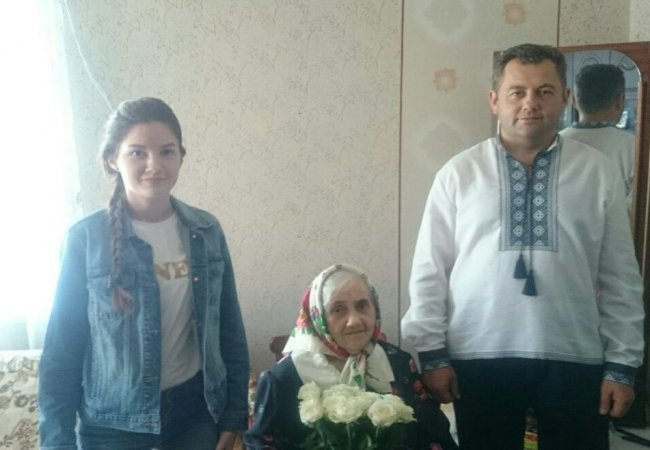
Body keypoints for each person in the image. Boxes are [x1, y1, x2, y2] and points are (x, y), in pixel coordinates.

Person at [401, 44, 644, 450]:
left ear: (565, 98)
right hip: (478, 356)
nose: (530, 103)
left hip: (575, 357)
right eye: (518, 92)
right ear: (495, 101)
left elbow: (621, 277)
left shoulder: (597, 173)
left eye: (544, 91)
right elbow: (430, 271)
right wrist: (433, 354)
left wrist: (623, 364)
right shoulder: (459, 174)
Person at [38, 97, 250, 450]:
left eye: (167, 151)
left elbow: (229, 330)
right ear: (113, 159)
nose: (154, 165)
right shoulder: (85, 240)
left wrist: (234, 416)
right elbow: (62, 351)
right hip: (112, 424)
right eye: (137, 153)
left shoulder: (206, 231)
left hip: (196, 415)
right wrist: (57, 442)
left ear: (181, 156)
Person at [243, 264, 458, 450]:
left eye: (362, 305)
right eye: (338, 309)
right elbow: (261, 442)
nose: (354, 320)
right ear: (318, 317)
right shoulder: (282, 379)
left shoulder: (399, 363)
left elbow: (433, 433)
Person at [560, 63, 636, 210]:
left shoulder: (553, 143)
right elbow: (636, 208)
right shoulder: (635, 148)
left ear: (574, 101)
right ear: (619, 101)